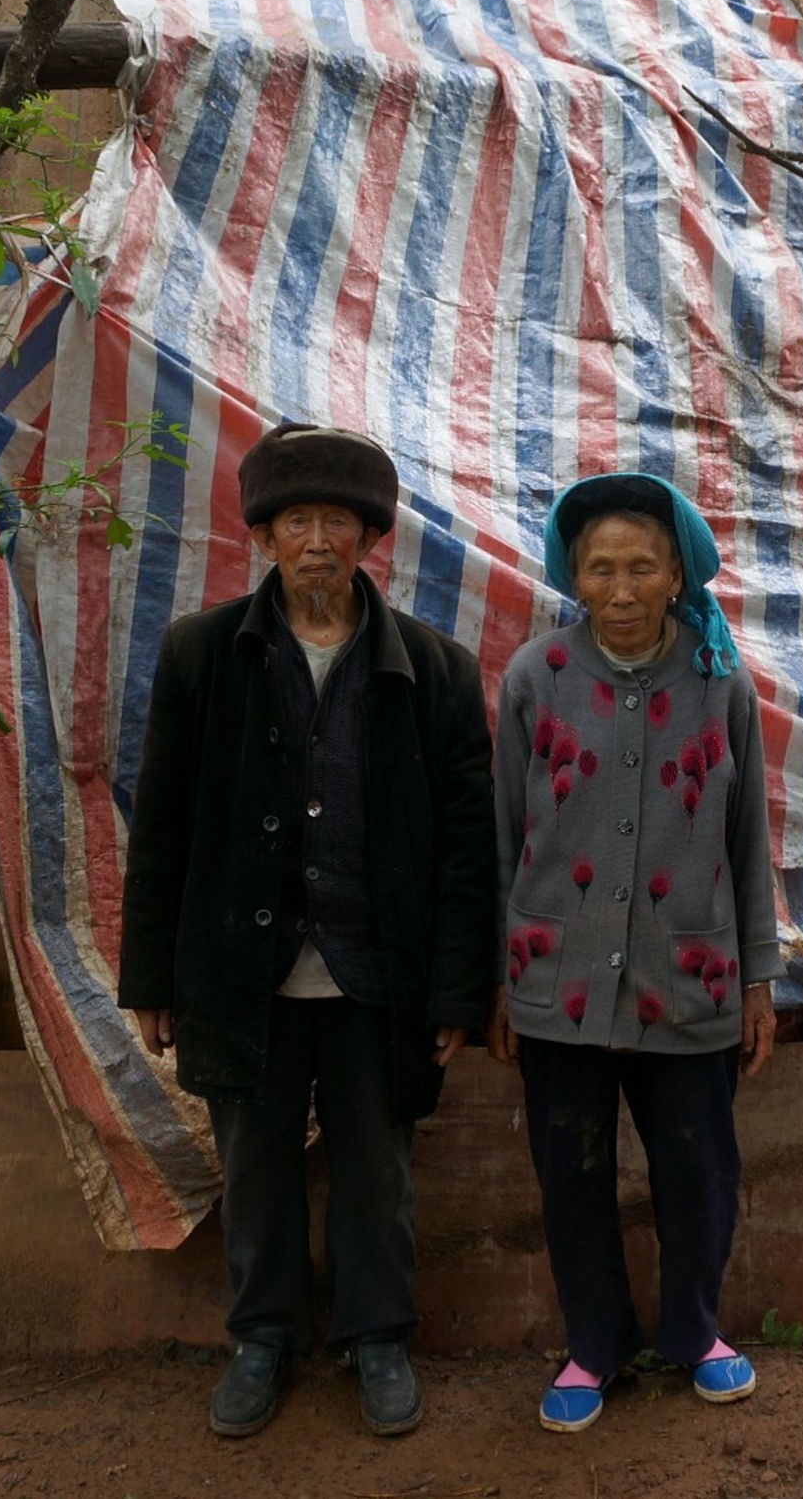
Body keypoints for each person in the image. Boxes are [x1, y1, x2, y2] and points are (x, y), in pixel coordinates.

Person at [117, 422, 497, 1439]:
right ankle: (265, 1335)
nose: (317, 539)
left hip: (380, 974)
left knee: (378, 1165)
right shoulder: (203, 654)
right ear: (267, 536)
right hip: (244, 972)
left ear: (371, 536)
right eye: (297, 519)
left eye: (338, 519)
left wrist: (460, 990)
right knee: (257, 1164)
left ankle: (378, 1336)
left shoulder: (438, 669)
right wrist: (152, 972)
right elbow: (162, 822)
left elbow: (470, 847)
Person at [487, 470, 780, 1433]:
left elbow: (747, 840)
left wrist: (759, 980)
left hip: (686, 974)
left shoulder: (719, 680)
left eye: (641, 567)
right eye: (599, 568)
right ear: (573, 576)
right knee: (569, 1170)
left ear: (675, 575)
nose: (619, 588)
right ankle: (595, 1344)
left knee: (698, 1168)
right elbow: (503, 833)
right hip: (555, 975)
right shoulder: (536, 676)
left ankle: (696, 1333)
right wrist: (500, 974)